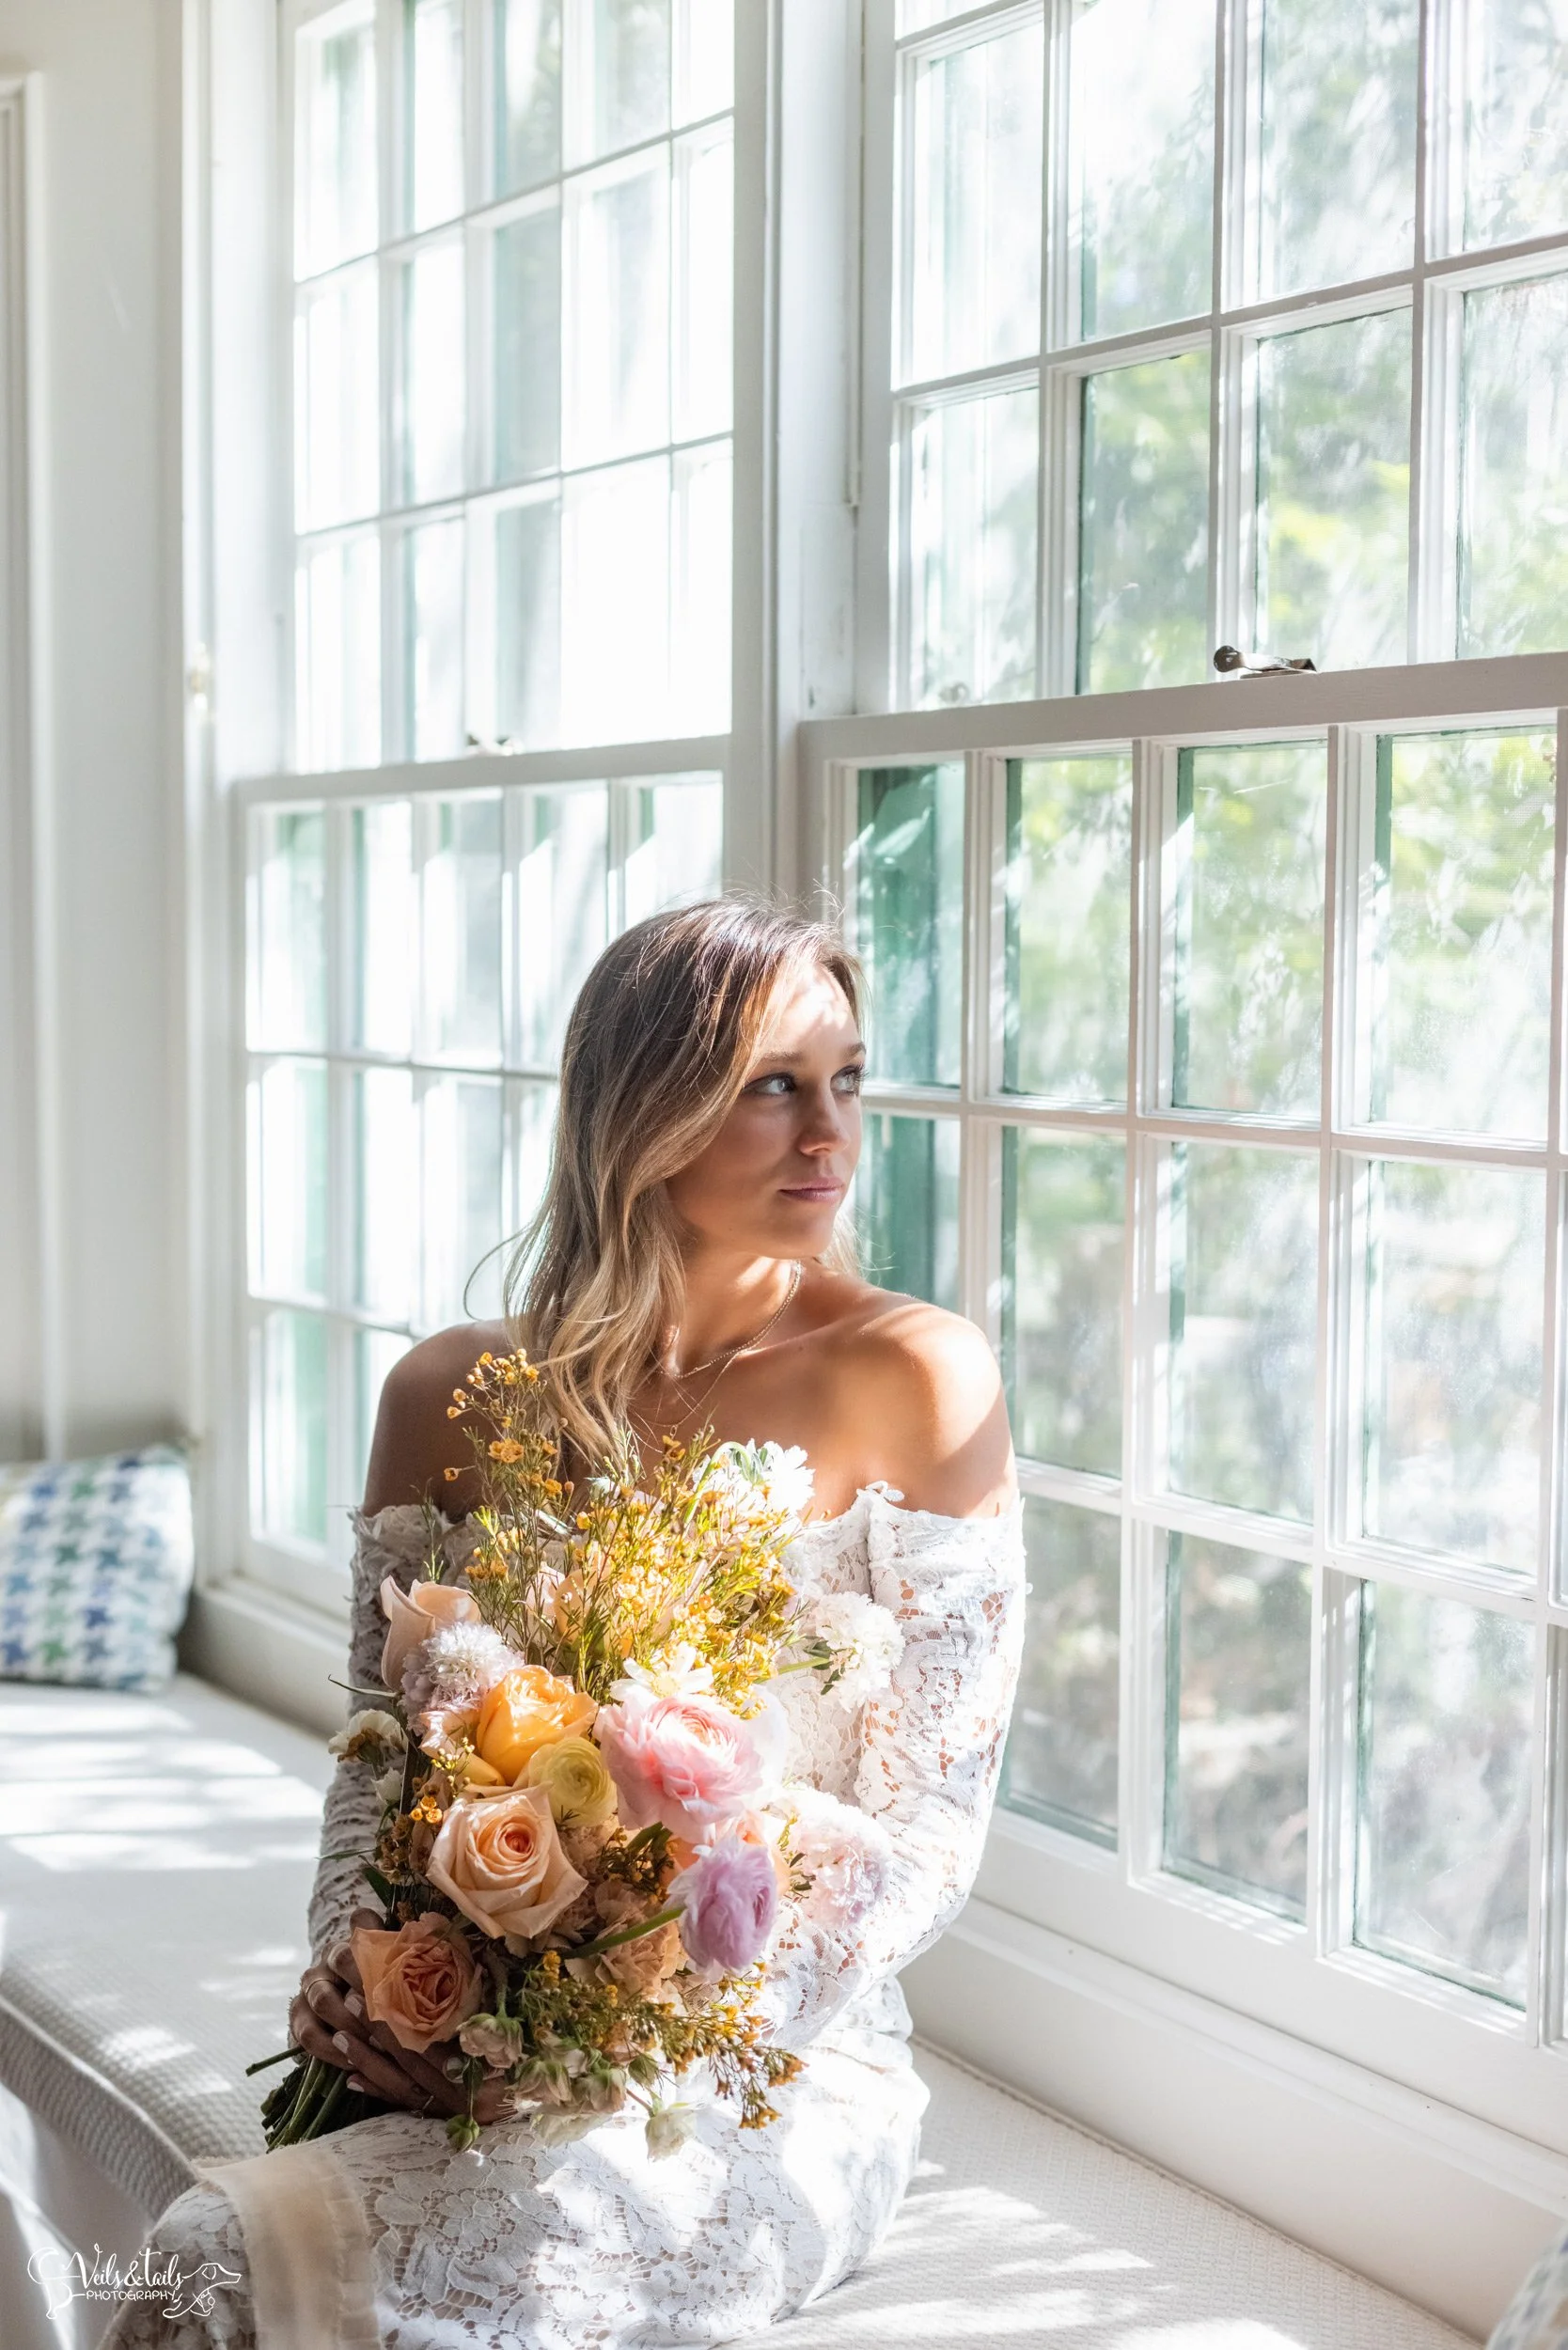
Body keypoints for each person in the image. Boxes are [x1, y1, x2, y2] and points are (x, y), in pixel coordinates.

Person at [109, 899, 1023, 2349]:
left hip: (769, 2073)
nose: (828, 1137)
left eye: (845, 1078)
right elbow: (377, 1763)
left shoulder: (917, 1372)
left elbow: (927, 1840)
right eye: (772, 1086)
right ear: (643, 1110)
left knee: (471, 2289)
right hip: (467, 2040)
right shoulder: (446, 1393)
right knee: (204, 2259)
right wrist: (374, 1989)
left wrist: (613, 2035)